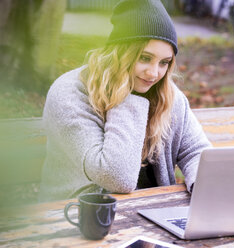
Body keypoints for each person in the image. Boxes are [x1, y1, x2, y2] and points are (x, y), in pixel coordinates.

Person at [39, 0, 211, 202]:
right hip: (79, 215)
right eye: (144, 58)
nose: (154, 73)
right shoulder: (70, 93)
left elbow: (196, 152)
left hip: (151, 212)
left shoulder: (166, 94)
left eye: (164, 63)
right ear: (119, 53)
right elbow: (116, 177)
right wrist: (125, 96)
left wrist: (203, 186)